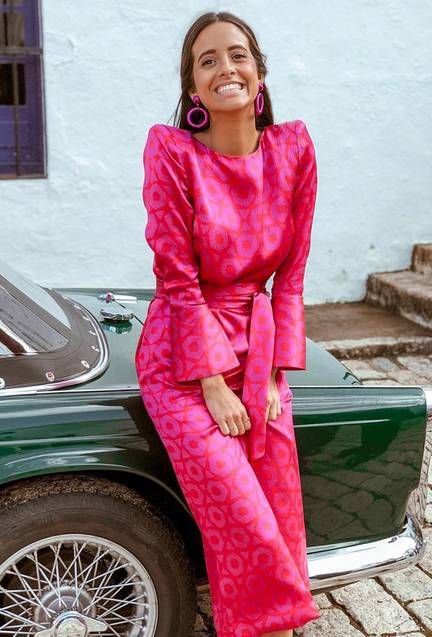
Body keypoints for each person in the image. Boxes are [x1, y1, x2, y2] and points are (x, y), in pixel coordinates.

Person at [135, 10, 320, 637]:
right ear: (193, 87)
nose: (225, 68)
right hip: (183, 360)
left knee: (280, 515)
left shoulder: (293, 149)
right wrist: (212, 382)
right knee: (243, 519)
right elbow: (176, 279)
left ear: (259, 72)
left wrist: (269, 377)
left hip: (259, 350)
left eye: (237, 55)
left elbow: (291, 275)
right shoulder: (171, 152)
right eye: (207, 60)